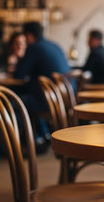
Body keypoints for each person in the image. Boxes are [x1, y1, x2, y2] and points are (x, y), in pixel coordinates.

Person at [14, 21, 71, 151]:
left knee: (14, 104)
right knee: (30, 97)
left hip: (47, 100)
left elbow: (19, 75)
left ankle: (31, 140)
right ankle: (42, 135)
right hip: (62, 98)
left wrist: (18, 58)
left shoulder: (34, 48)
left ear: (28, 36)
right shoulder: (54, 45)